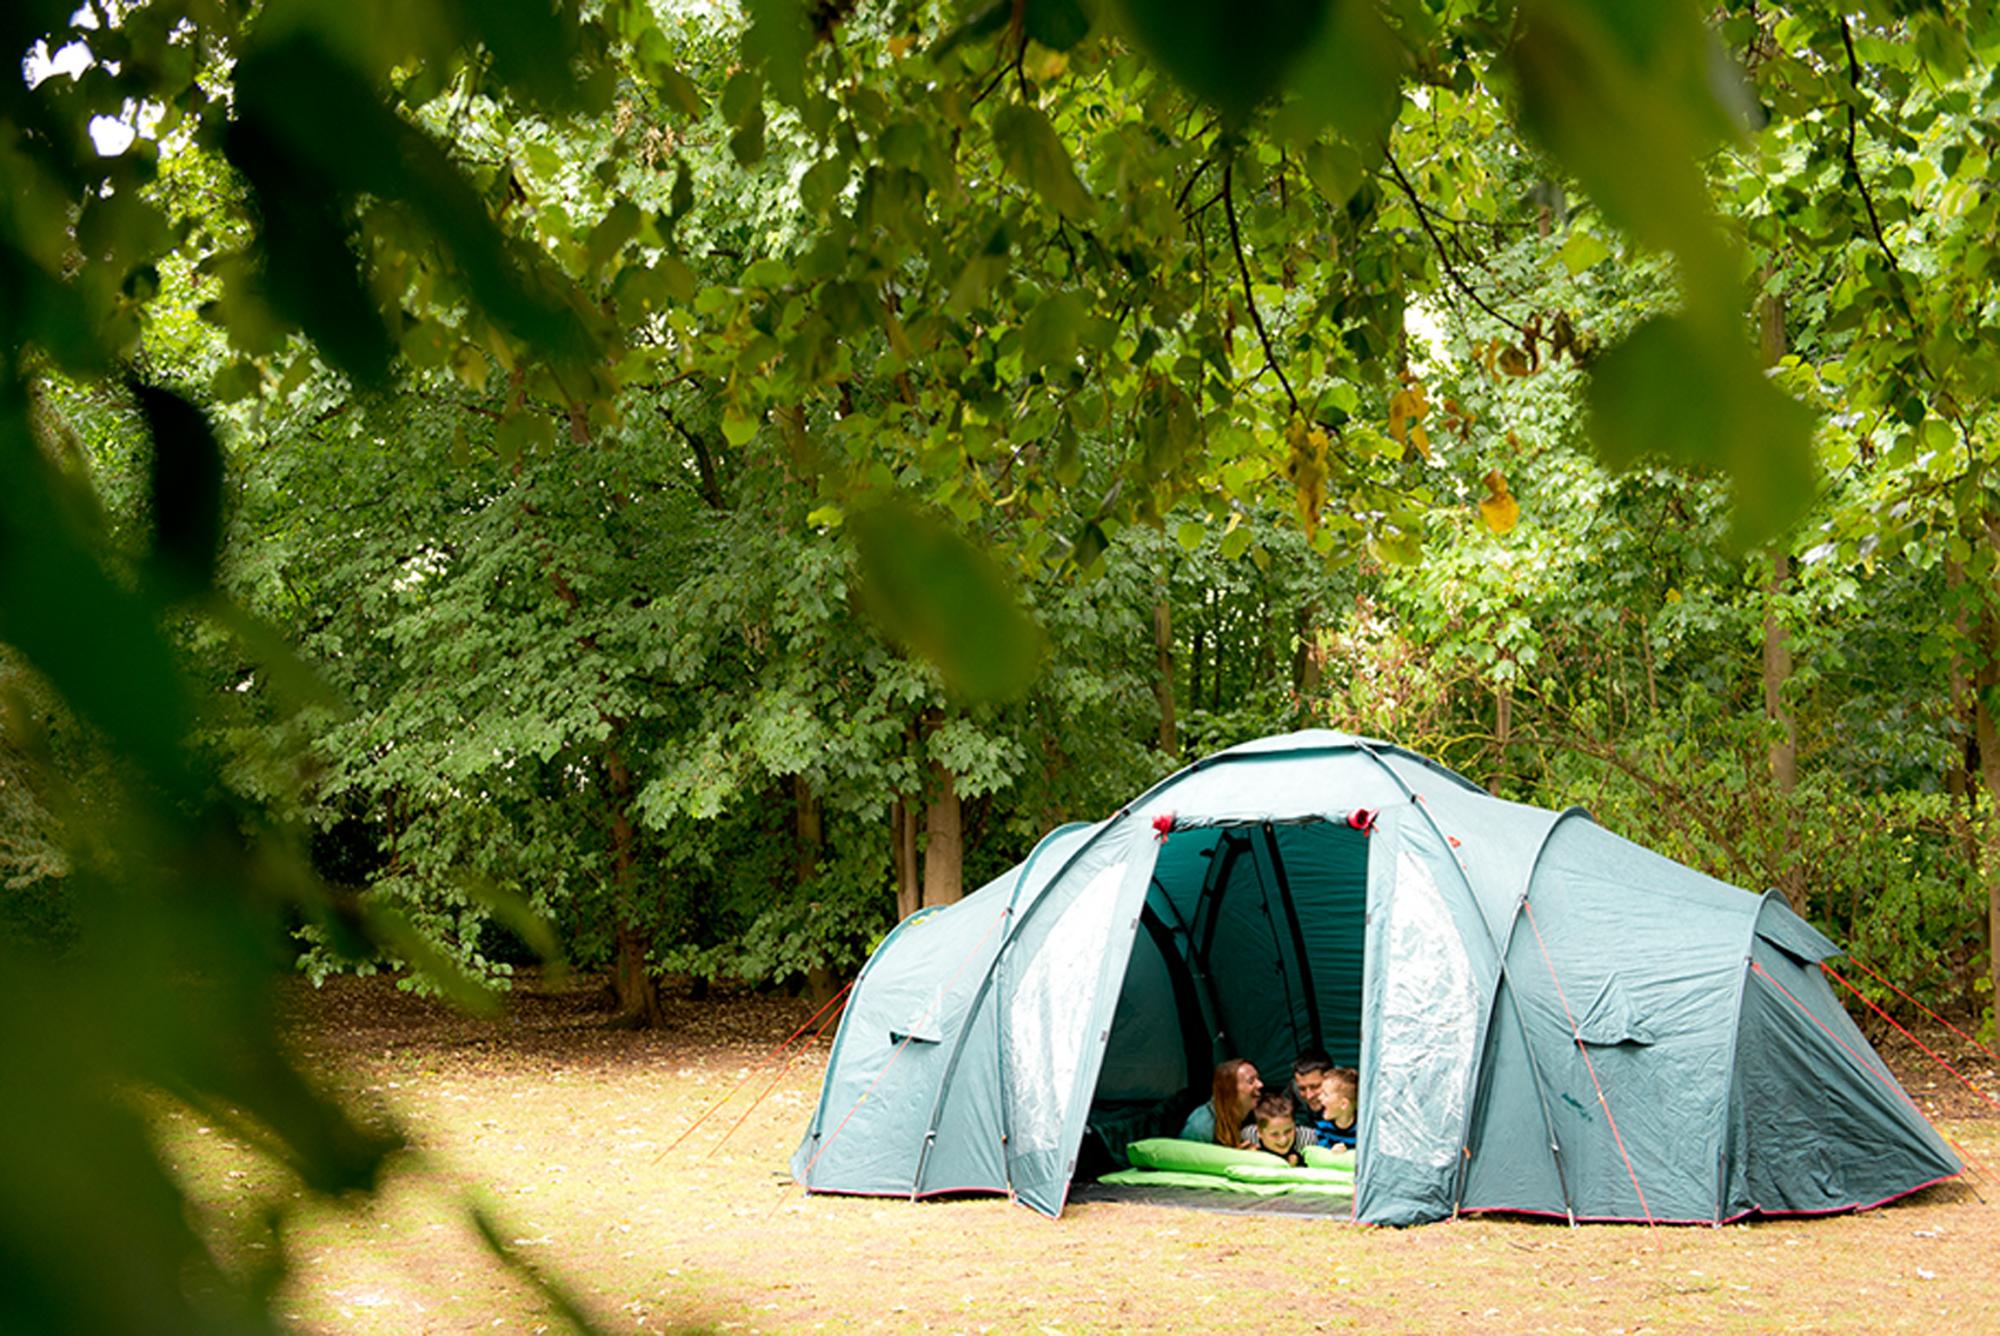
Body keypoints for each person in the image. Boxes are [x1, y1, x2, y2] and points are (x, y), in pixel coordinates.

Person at [1178, 1058, 1261, 1147]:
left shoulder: (1255, 1111)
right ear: (1229, 1089)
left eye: (1258, 1078)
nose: (1260, 1084)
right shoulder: (1200, 1127)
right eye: (1251, 1081)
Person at [1251, 1091, 1311, 1166]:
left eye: (1288, 1131)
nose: (1283, 1140)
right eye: (1274, 1134)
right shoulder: (1249, 1138)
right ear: (1259, 1132)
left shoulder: (1306, 1139)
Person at [1311, 1065, 1359, 1149]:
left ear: (1343, 1104)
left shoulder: (1362, 1129)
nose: (1319, 1097)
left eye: (1325, 1094)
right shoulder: (1322, 1126)